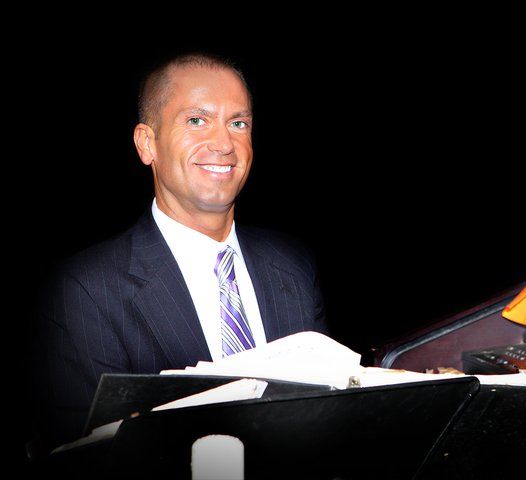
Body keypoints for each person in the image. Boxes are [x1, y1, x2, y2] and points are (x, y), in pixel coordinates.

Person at [31, 53, 327, 451]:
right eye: (196, 121)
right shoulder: (86, 291)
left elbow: (326, 419)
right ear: (147, 143)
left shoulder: (292, 265)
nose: (224, 143)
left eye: (238, 123)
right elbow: (84, 459)